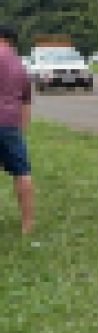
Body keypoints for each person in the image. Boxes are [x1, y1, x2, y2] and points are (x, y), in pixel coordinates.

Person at [0, 24, 34, 236]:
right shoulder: (19, 64)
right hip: (11, 124)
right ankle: (28, 224)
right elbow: (26, 102)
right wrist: (20, 129)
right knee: (22, 172)